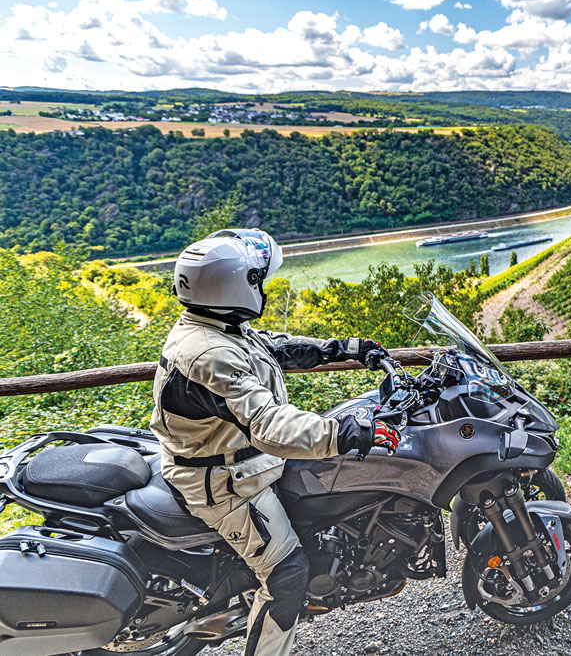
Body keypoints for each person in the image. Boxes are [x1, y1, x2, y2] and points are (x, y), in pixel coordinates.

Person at [149, 228, 400, 656]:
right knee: (286, 575)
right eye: (257, 280)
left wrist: (342, 349)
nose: (262, 287)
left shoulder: (215, 327)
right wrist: (348, 432)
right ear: (233, 285)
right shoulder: (210, 355)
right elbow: (270, 425)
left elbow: (273, 350)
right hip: (226, 484)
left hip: (239, 462)